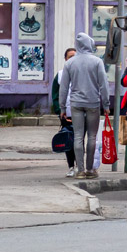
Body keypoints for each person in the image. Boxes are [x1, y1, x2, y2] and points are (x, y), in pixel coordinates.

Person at [59, 33, 110, 179]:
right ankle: (90, 169)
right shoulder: (97, 62)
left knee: (78, 137)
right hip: (93, 103)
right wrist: (106, 105)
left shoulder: (70, 63)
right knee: (92, 137)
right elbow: (104, 85)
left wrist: (62, 108)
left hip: (75, 104)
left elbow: (64, 88)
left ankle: (79, 170)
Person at [51, 47, 77, 176]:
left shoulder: (82, 73)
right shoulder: (60, 75)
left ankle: (80, 166)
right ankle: (71, 166)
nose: (72, 59)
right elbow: (55, 95)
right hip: (66, 115)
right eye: (70, 57)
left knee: (80, 141)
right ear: (65, 59)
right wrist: (59, 111)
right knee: (68, 140)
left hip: (81, 113)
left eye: (74, 56)